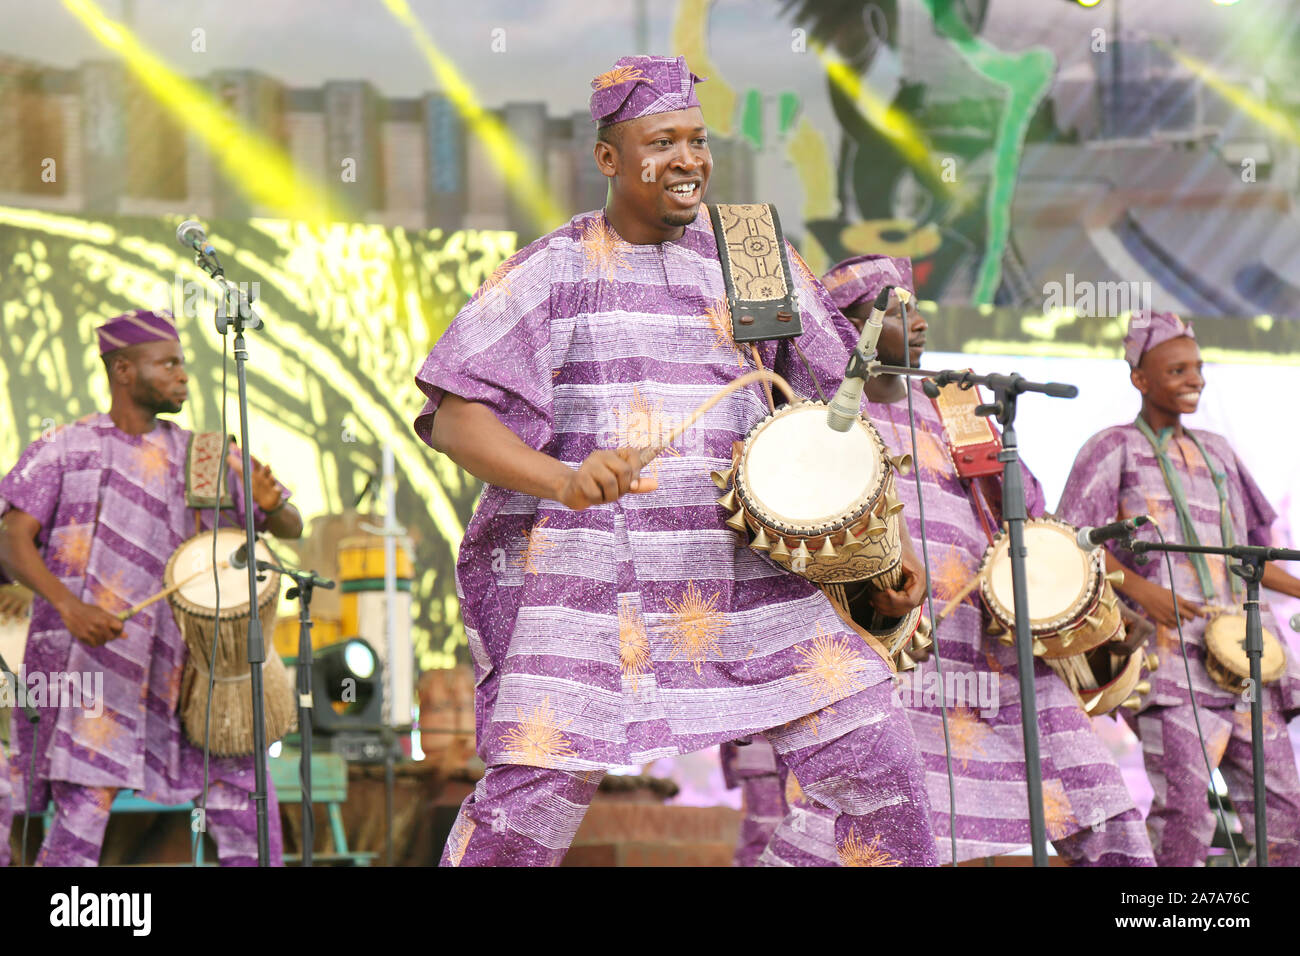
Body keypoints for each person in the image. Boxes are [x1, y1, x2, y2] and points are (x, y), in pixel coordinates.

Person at [414, 55, 938, 867]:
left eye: (697, 140)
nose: (688, 159)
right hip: (590, 589)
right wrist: (561, 479)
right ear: (609, 158)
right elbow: (455, 419)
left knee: (887, 788)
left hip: (751, 580)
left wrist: (879, 550)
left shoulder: (754, 255)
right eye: (662, 141)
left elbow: (826, 420)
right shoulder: (552, 269)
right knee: (521, 824)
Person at [751, 255, 1154, 866]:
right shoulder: (820, 417)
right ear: (850, 328)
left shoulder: (958, 405)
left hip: (994, 658)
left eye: (918, 308)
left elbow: (1033, 522)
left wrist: (1108, 610)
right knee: (856, 826)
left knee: (1095, 798)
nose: (916, 323)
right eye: (894, 310)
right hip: (886, 664)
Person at [0, 310, 304, 867]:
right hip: (95, 675)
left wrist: (271, 506)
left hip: (197, 678)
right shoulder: (65, 448)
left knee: (245, 817)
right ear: (123, 370)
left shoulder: (208, 456)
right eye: (167, 363)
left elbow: (292, 527)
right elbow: (10, 540)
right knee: (79, 824)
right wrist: (68, 607)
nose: (182, 374)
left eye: (183, 363)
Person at [1059, 310, 1300, 866]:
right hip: (1169, 664)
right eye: (1177, 370)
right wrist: (1140, 590)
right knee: (1187, 815)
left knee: (1284, 812)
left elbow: (1253, 555)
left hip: (1246, 656)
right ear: (1139, 379)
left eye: (1197, 368)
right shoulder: (1111, 448)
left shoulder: (1218, 452)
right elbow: (1069, 542)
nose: (1195, 380)